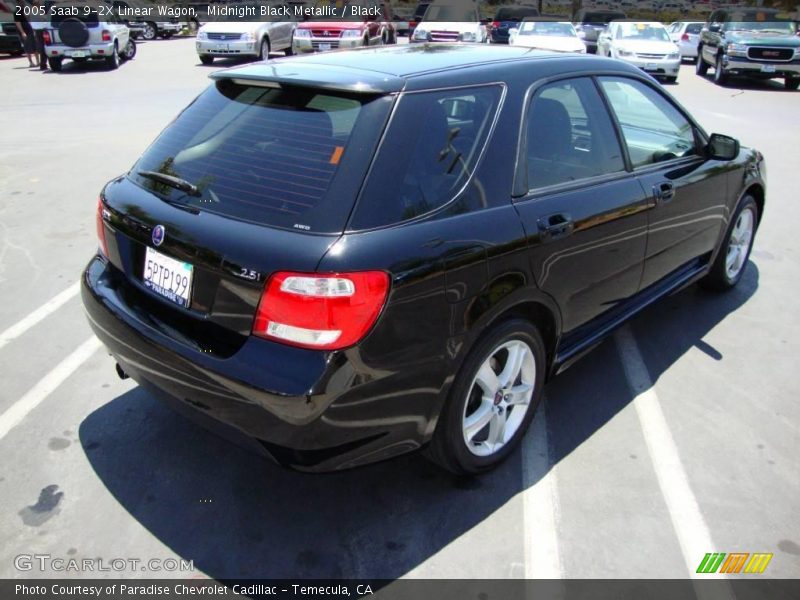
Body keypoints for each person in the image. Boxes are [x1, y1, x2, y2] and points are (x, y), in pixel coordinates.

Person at [13, 0, 38, 68]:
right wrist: (22, 32)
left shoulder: (25, 10)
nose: (23, 3)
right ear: (18, 3)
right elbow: (18, 23)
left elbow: (29, 20)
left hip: (30, 30)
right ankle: (31, 62)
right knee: (27, 47)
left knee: (34, 45)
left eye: (23, 2)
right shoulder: (17, 11)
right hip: (24, 31)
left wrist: (33, 29)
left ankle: (38, 62)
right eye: (21, 2)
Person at [29, 0, 48, 70]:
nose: (40, 6)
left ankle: (43, 63)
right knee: (44, 47)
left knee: (42, 47)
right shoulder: (37, 12)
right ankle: (43, 64)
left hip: (37, 31)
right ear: (36, 5)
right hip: (41, 30)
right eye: (39, 5)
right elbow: (44, 19)